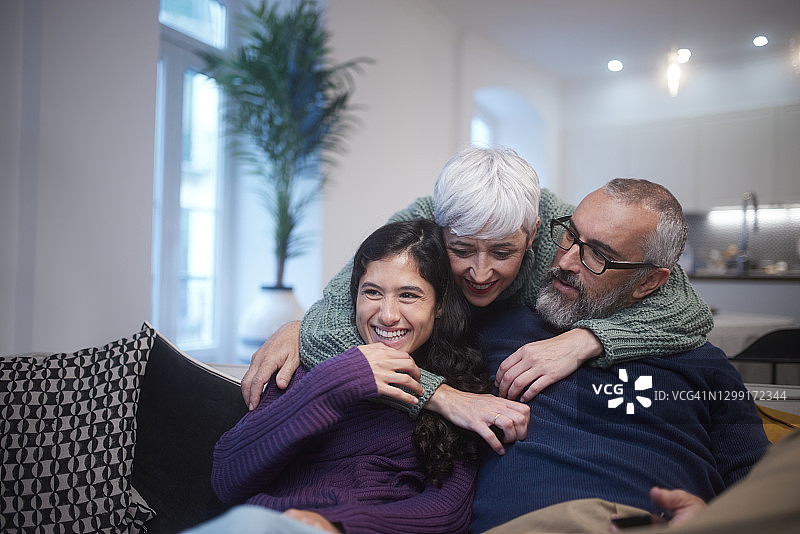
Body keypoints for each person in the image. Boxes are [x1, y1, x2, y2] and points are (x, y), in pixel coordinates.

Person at [241, 146, 715, 455]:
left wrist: (581, 341)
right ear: (439, 228)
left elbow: (689, 310)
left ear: (532, 235)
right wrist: (440, 395)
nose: (482, 273)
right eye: (461, 250)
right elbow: (331, 326)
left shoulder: (561, 230)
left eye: (504, 252)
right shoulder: (420, 223)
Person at [468, 178, 770, 533]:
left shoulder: (703, 362)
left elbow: (764, 489)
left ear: (648, 282)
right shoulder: (500, 325)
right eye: (571, 234)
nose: (565, 261)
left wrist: (721, 520)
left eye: (599, 254)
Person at [203, 219, 529, 534]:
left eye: (409, 295)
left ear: (439, 305)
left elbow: (448, 512)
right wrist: (337, 381)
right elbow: (227, 477)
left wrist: (338, 525)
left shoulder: (461, 393)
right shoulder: (309, 367)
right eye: (372, 292)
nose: (387, 315)